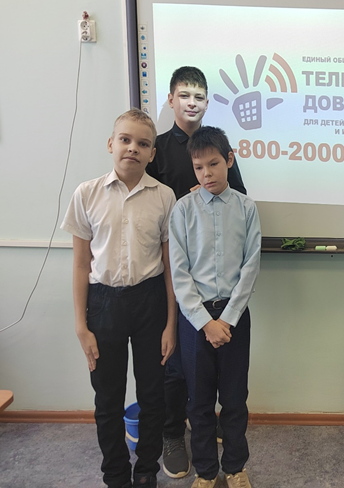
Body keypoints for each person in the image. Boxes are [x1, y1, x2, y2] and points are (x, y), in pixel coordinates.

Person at [62, 109, 177, 488]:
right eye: (125, 140)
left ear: (152, 153)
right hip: (103, 304)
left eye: (143, 144)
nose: (132, 148)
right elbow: (81, 264)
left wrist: (171, 325)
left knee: (153, 395)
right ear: (111, 143)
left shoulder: (164, 197)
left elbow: (170, 266)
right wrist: (81, 326)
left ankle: (145, 471)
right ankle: (115, 474)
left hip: (150, 303)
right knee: (107, 398)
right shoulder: (87, 193)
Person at [146, 66, 247, 479]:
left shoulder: (220, 149)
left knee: (224, 385)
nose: (192, 102)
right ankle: (173, 433)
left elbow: (240, 202)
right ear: (170, 100)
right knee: (174, 365)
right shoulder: (157, 148)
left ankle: (217, 442)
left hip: (221, 288)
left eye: (199, 96)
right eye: (184, 95)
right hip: (169, 271)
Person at [168, 126, 261, 488]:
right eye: (198, 167)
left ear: (229, 160)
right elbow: (179, 273)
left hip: (235, 317)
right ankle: (206, 472)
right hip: (196, 321)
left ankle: (235, 468)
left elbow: (250, 266)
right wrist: (206, 323)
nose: (206, 174)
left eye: (214, 164)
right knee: (199, 402)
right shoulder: (183, 210)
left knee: (235, 399)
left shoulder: (247, 208)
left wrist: (229, 318)